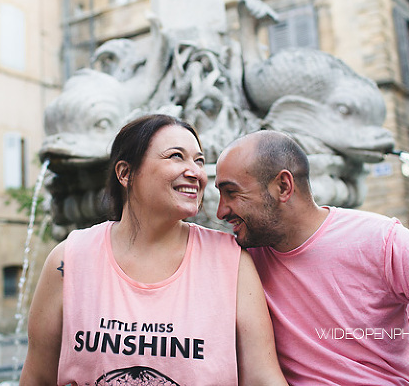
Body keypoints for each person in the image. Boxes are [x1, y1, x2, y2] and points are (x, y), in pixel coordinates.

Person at [214, 130, 409, 386]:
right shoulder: (243, 256)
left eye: (231, 193)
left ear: (283, 186)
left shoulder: (381, 239)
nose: (220, 211)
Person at [20, 114, 287, 386]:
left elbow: (262, 378)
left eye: (198, 160)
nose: (196, 172)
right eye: (175, 157)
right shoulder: (69, 260)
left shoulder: (231, 261)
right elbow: (37, 378)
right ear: (125, 173)